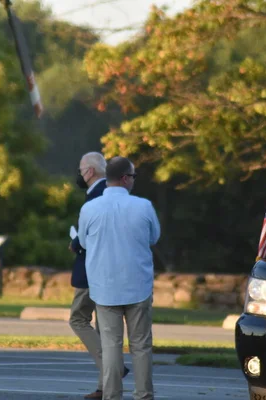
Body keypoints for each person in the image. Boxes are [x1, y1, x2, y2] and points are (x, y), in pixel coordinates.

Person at [78, 156, 160, 400]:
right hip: (138, 285)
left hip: (104, 287)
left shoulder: (89, 208)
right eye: (133, 176)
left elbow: (83, 241)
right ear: (125, 178)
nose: (133, 181)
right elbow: (154, 237)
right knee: (141, 345)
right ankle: (144, 395)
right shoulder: (143, 206)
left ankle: (111, 395)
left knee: (111, 346)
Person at [69, 152, 128, 400]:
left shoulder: (94, 197)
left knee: (78, 319)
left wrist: (74, 243)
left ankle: (112, 369)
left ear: (90, 172)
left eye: (82, 170)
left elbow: (87, 240)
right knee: (104, 328)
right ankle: (104, 387)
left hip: (92, 272)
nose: (81, 175)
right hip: (113, 270)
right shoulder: (115, 193)